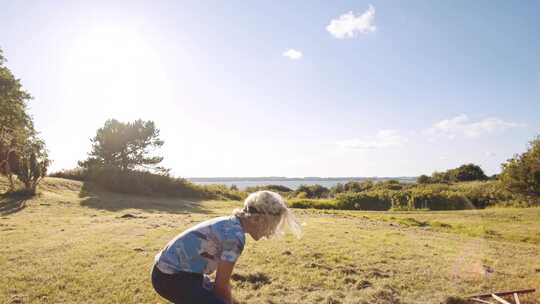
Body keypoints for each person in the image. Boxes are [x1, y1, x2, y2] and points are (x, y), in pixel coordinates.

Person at [151, 190, 302, 304]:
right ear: (257, 219)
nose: (270, 233)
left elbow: (221, 286)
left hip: (172, 273)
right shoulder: (235, 238)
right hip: (171, 278)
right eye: (271, 225)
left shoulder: (230, 223)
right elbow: (221, 286)